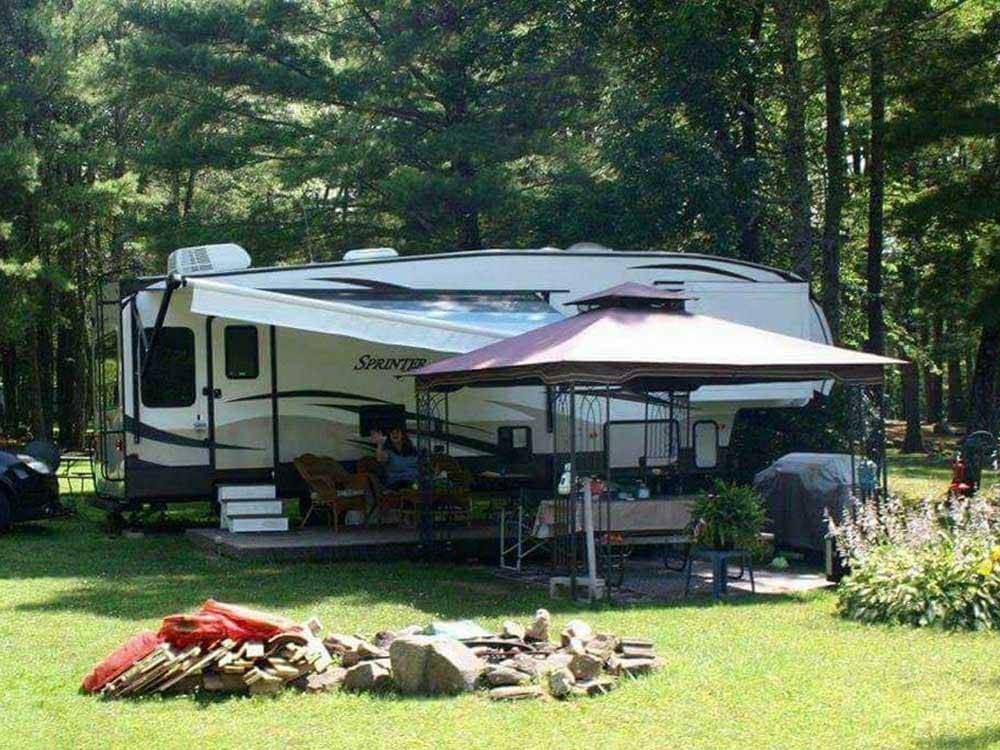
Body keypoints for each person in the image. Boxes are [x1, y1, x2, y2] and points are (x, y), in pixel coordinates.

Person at [370, 425, 419, 489]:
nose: (394, 434)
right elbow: (380, 459)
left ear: (403, 435)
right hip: (396, 483)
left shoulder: (412, 450)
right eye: (392, 433)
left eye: (397, 432)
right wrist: (380, 444)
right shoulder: (388, 451)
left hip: (414, 481)